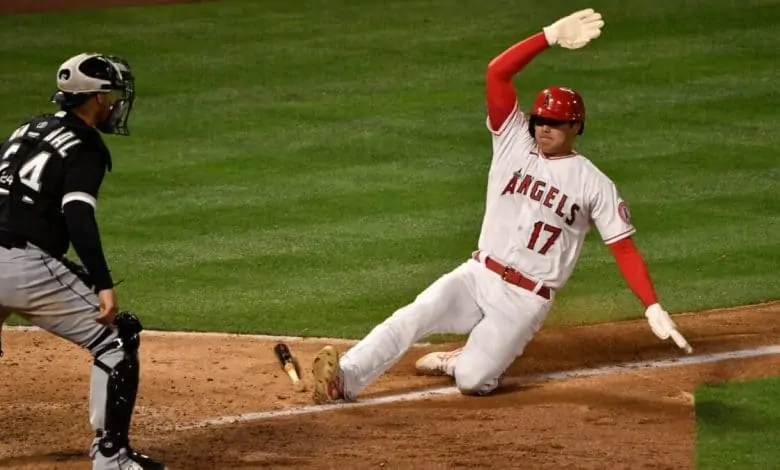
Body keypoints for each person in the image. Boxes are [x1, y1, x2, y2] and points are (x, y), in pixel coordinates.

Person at [310, 8, 691, 404]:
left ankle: (461, 360)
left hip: (527, 299)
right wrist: (549, 35)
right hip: (478, 275)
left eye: (555, 122)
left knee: (473, 381)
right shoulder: (513, 140)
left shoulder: (593, 183)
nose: (543, 127)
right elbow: (497, 73)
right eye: (539, 118)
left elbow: (623, 247)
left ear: (576, 127)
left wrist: (651, 305)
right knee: (415, 314)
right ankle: (346, 378)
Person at [0, 53, 165, 470]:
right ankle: (112, 456)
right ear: (92, 98)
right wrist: (103, 282)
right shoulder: (85, 145)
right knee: (116, 339)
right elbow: (77, 215)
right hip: (21, 265)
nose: (113, 103)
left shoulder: (28, 128)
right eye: (108, 94)